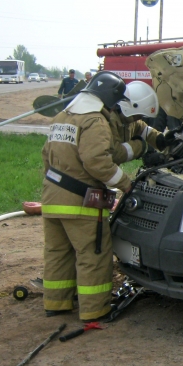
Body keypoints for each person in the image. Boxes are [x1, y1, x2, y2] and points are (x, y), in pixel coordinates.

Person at [41, 71, 132, 321]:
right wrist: (126, 184)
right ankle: (95, 309)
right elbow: (97, 162)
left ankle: (56, 302)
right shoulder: (94, 121)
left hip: (52, 199)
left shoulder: (62, 116)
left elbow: (46, 156)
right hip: (80, 203)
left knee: (58, 253)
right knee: (93, 255)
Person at [107, 80, 174, 164]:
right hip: (101, 168)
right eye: (139, 115)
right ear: (132, 107)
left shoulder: (128, 119)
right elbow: (115, 155)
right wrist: (141, 147)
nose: (140, 118)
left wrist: (161, 139)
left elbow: (144, 129)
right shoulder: (111, 120)